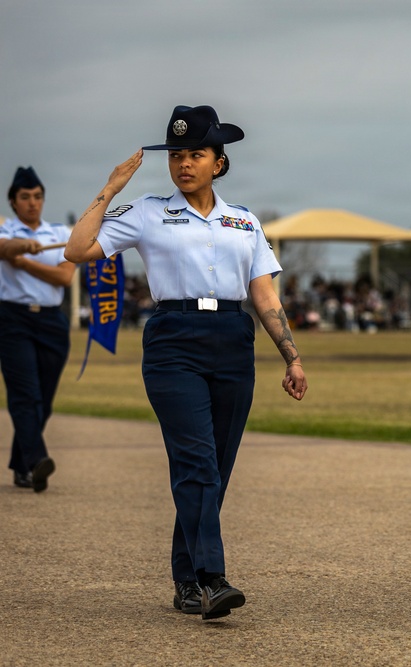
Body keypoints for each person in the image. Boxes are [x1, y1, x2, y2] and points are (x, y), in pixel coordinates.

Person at [63, 105, 308, 621]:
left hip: (233, 340)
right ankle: (212, 579)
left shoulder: (244, 220)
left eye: (195, 154)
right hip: (173, 341)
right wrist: (111, 188)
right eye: (176, 155)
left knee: (214, 470)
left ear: (219, 162)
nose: (183, 164)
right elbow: (78, 249)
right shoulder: (147, 211)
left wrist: (292, 356)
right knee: (196, 463)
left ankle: (185, 579)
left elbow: (264, 295)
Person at [0, 166, 75, 492]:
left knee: (43, 400)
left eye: (37, 196)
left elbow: (65, 276)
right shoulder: (5, 229)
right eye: (25, 197)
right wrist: (19, 247)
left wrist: (25, 262)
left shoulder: (59, 233)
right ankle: (36, 461)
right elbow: (4, 249)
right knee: (25, 394)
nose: (32, 203)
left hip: (52, 321)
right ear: (13, 201)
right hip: (13, 319)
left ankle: (22, 465)